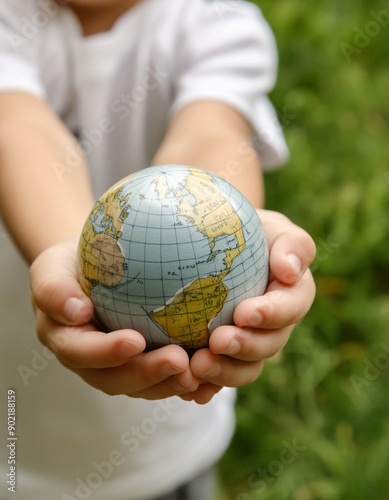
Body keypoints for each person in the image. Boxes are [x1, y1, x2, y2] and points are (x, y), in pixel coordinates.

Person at [0, 0, 316, 498]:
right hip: (15, 434)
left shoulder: (213, 21)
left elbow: (211, 135)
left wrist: (229, 229)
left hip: (163, 438)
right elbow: (16, 130)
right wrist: (72, 260)